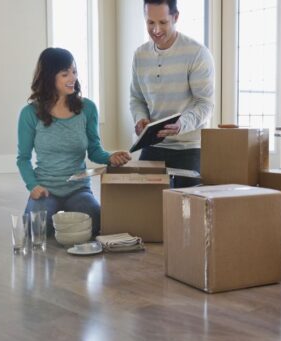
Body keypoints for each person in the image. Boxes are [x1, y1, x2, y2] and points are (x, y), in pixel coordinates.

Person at [17, 47, 131, 237]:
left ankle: (66, 225)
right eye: (65, 74)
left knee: (97, 223)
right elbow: (23, 158)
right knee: (34, 231)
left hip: (78, 189)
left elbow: (95, 150)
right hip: (46, 188)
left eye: (74, 72)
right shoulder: (30, 113)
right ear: (48, 77)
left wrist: (111, 157)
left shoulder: (87, 108)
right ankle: (61, 224)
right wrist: (33, 186)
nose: (73, 78)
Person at [131, 0, 215, 188]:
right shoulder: (140, 55)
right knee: (140, 200)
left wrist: (181, 124)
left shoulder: (197, 53)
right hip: (153, 145)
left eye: (163, 22)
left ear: (175, 17)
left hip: (188, 147)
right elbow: (136, 98)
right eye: (150, 22)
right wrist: (140, 118)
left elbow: (205, 104)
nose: (156, 30)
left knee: (188, 205)